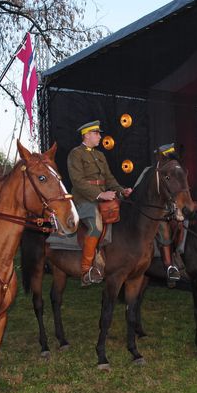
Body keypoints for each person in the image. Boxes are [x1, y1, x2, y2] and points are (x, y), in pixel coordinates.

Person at [67, 120, 132, 286]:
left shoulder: (100, 155)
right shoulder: (76, 154)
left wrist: (120, 190)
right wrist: (100, 194)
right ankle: (86, 270)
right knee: (96, 225)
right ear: (87, 135)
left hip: (103, 197)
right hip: (84, 199)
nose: (100, 136)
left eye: (99, 133)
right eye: (96, 133)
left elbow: (109, 178)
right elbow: (77, 181)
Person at [153, 144, 186, 286]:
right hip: (156, 211)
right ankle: (169, 267)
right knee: (164, 232)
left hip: (171, 209)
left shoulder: (175, 173)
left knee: (181, 224)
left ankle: (177, 255)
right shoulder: (151, 173)